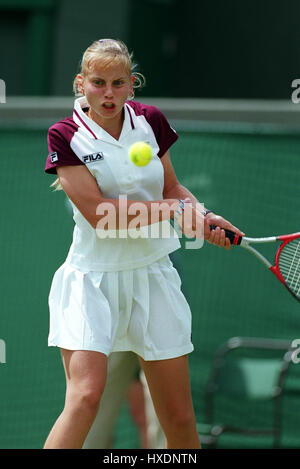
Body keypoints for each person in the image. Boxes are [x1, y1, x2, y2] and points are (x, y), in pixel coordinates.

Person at [43, 38, 244, 449]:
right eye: (98, 82)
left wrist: (201, 216)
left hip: (154, 276)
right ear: (81, 83)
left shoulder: (150, 121)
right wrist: (172, 210)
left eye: (119, 83)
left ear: (131, 84)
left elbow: (172, 186)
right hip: (91, 282)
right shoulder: (65, 135)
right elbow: (101, 216)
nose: (109, 93)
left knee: (180, 419)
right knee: (84, 398)